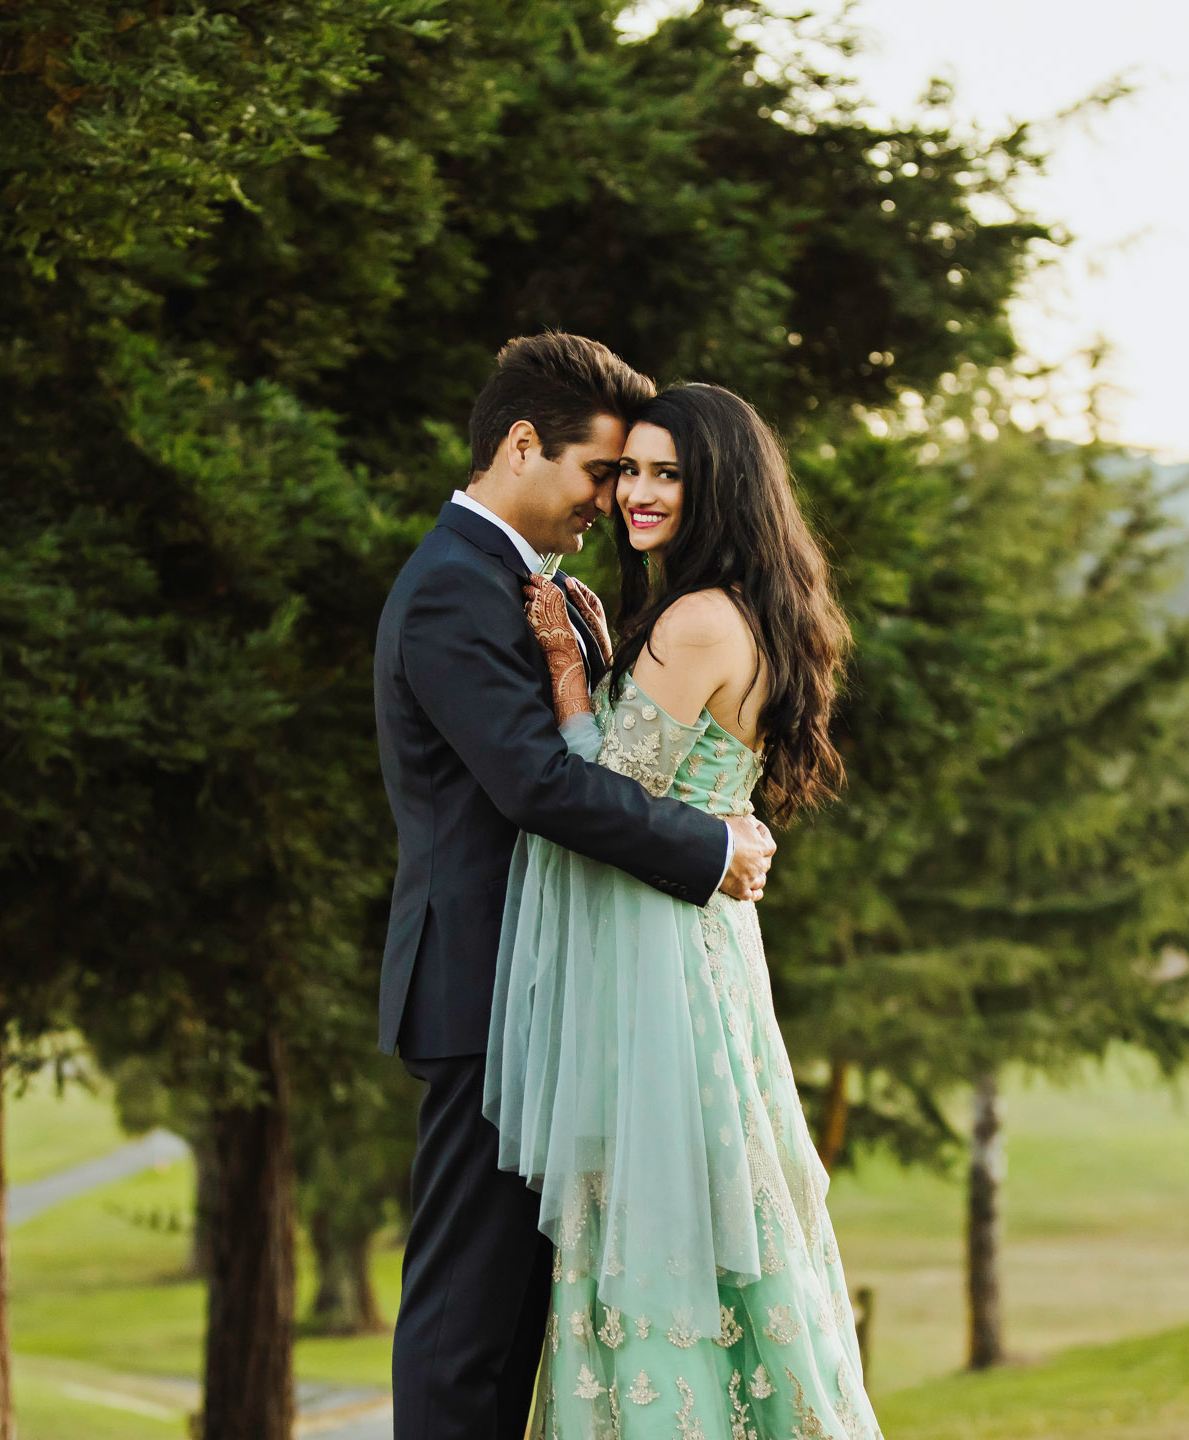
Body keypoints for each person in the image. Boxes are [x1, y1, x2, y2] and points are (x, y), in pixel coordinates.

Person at [375, 335, 780, 1440]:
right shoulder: (457, 589)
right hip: (481, 992)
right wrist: (707, 847)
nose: (615, 497)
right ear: (521, 445)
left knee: (514, 1319)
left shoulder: (525, 585)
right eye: (602, 470)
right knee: (466, 1320)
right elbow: (539, 786)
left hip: (546, 994)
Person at [487, 383, 882, 1440]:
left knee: (660, 1223)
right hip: (698, 940)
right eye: (631, 473)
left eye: (669, 474)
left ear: (720, 490)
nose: (638, 495)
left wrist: (570, 674)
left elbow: (601, 793)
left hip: (661, 954)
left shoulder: (700, 619)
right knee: (711, 1213)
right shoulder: (734, 613)